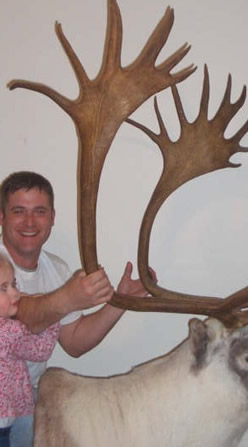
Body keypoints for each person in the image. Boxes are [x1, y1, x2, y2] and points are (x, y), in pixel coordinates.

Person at [0, 171, 153, 447]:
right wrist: (68, 298)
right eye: (18, 211)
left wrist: (121, 301)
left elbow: (75, 343)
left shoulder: (56, 269)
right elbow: (22, 317)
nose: (30, 222)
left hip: (20, 404)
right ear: (2, 218)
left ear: (52, 218)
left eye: (40, 211)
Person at [0, 254, 59, 447]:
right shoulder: (10, 331)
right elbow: (40, 351)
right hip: (10, 418)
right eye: (3, 288)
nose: (16, 294)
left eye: (14, 284)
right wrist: (52, 318)